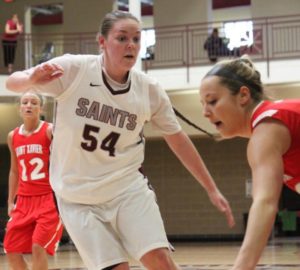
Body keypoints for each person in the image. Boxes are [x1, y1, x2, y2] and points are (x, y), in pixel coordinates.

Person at [6, 11, 235, 270]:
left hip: (127, 190)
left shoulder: (149, 90)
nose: (131, 46)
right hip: (77, 197)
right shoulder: (74, 69)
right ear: (102, 42)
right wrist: (30, 80)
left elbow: (179, 141)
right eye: (122, 38)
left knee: (160, 261)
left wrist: (211, 188)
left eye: (137, 39)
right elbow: (13, 83)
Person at [199, 55, 300, 270]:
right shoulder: (272, 125)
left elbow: (265, 203)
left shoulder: (267, 129)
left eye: (213, 101)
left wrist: (241, 267)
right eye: (203, 104)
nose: (205, 113)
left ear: (243, 95)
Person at [3, 91, 63, 270]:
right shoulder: (13, 136)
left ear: (41, 108)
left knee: (38, 247)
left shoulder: (50, 131)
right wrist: (10, 201)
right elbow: (14, 171)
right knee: (11, 249)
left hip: (48, 199)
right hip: (23, 201)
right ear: (20, 108)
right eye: (25, 102)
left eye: (34, 102)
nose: (29, 105)